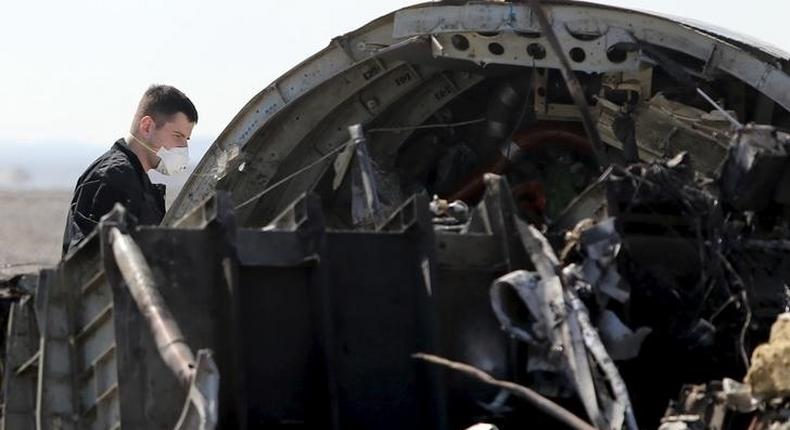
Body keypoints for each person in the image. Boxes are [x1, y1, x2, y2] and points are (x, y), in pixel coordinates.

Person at [62, 84, 198, 256]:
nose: (183, 147)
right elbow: (87, 266)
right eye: (177, 136)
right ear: (147, 126)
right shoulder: (111, 177)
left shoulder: (139, 181)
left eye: (186, 139)